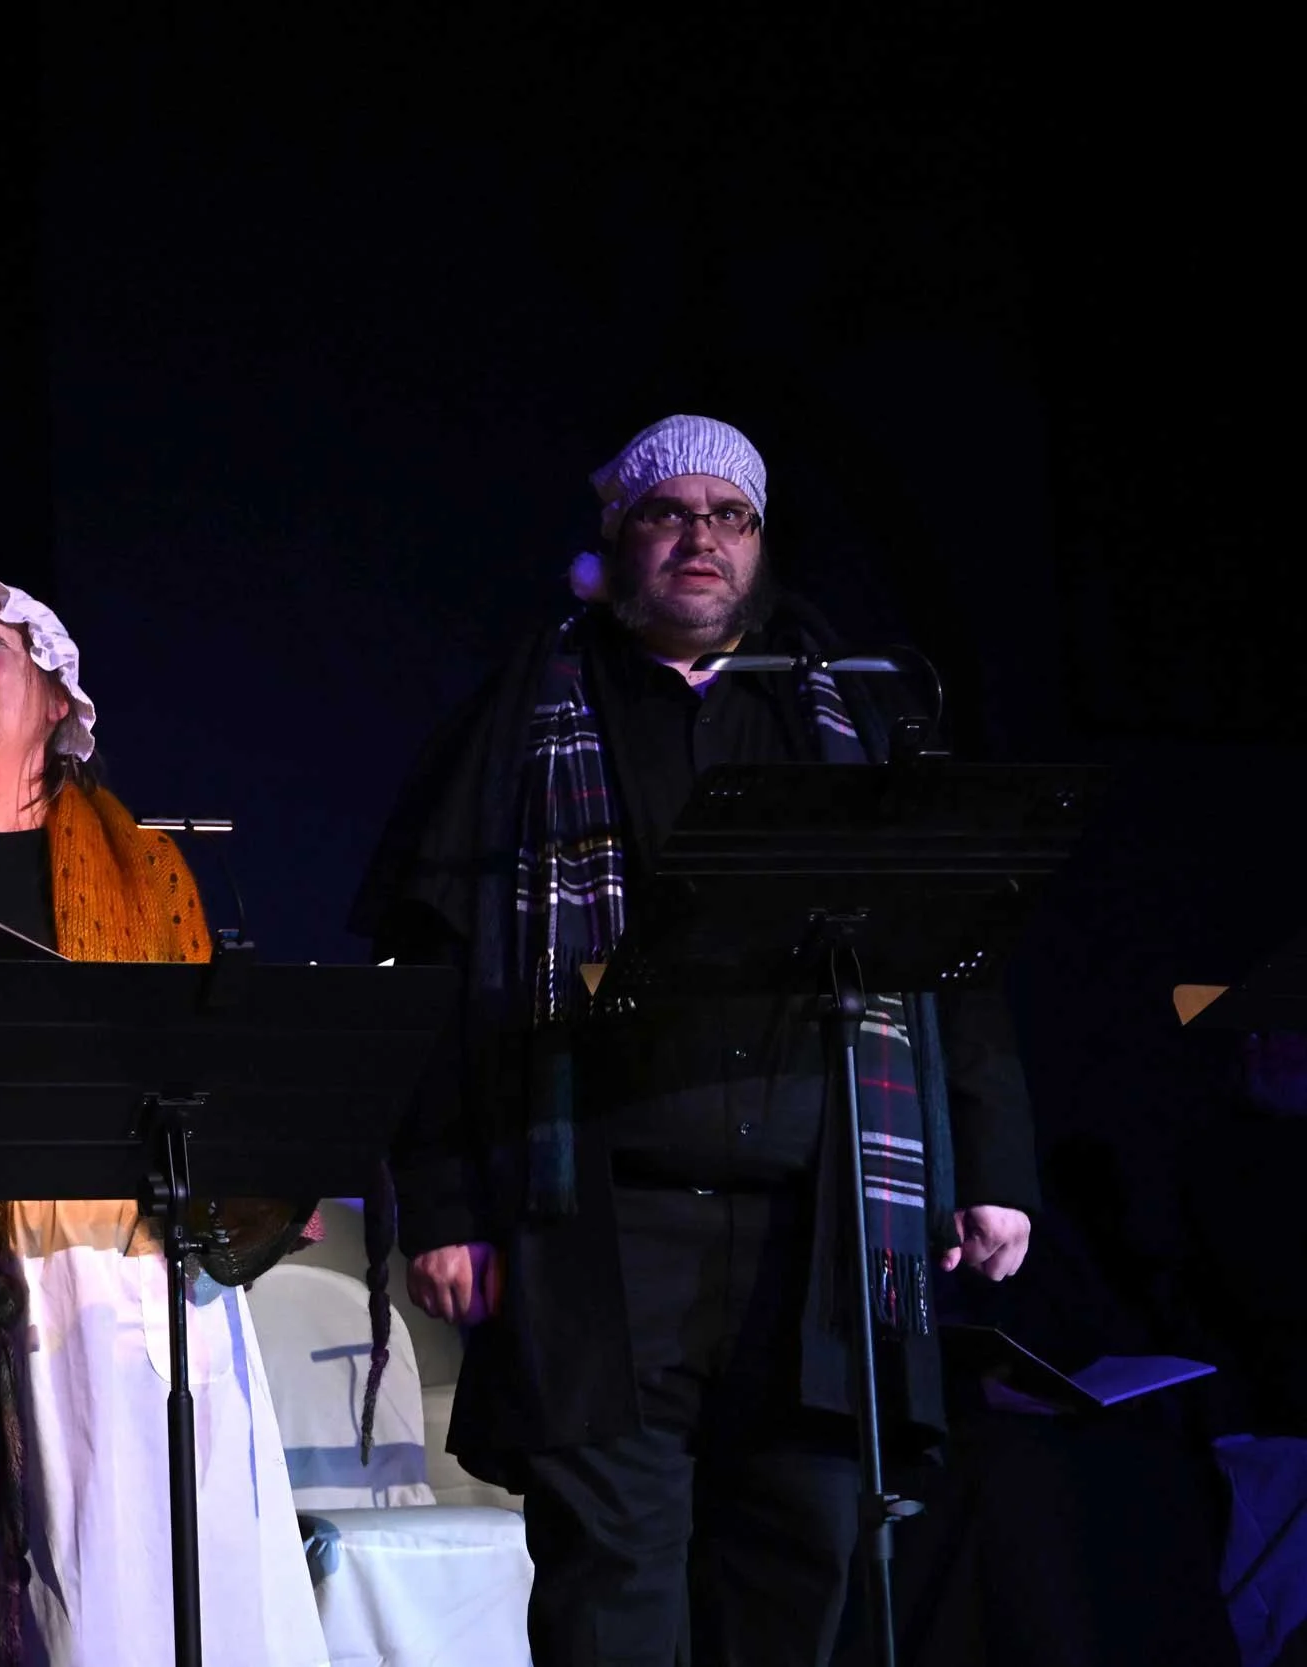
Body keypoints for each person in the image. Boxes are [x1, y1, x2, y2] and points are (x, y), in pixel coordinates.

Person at [352, 414, 1043, 1666]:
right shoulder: (524, 716)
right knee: (612, 1594)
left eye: (728, 516)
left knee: (800, 1566)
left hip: (816, 1229)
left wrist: (987, 1166)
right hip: (606, 1226)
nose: (700, 539)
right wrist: (445, 1198)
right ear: (617, 536)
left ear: (759, 544)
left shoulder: (852, 718)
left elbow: (951, 948)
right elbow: (433, 972)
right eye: (667, 513)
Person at [0, 575, 326, 1667]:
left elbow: (200, 1054)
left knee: (139, 1581)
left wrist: (253, 1156)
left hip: (120, 1268)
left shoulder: (149, 867)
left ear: (53, 694)